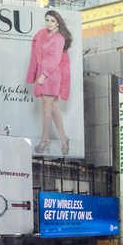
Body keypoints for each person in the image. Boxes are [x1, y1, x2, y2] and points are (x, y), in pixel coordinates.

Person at [26, 10, 72, 155]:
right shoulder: (46, 35)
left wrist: (43, 75)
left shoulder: (59, 38)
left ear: (58, 22)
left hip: (50, 76)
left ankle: (44, 140)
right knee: (52, 108)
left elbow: (56, 60)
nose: (49, 23)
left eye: (52, 20)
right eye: (47, 20)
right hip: (45, 74)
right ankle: (64, 138)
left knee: (47, 109)